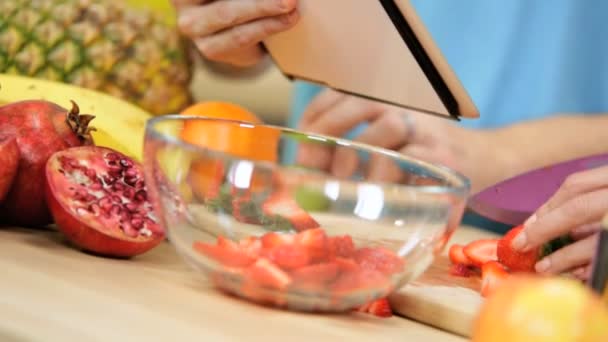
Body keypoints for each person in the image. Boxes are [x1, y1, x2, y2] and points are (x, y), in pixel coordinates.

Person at [171, 0, 608, 280]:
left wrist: (501, 153)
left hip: (547, 262)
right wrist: (239, 27)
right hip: (312, 209)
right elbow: (236, 54)